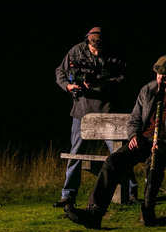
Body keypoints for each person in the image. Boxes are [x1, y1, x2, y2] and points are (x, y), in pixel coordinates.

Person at [64, 53, 166, 228]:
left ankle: (148, 210)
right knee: (113, 161)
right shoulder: (148, 90)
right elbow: (134, 119)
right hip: (145, 140)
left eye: (164, 77)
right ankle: (94, 212)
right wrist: (134, 136)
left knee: (154, 160)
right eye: (158, 76)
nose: (160, 80)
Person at [54, 26, 138, 207]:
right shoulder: (76, 51)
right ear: (88, 42)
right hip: (82, 112)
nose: (97, 51)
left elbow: (125, 78)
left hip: (108, 112)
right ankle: (68, 196)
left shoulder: (115, 54)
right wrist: (69, 87)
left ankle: (131, 192)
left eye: (100, 48)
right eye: (94, 48)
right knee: (75, 154)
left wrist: (101, 81)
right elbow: (60, 72)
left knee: (119, 154)